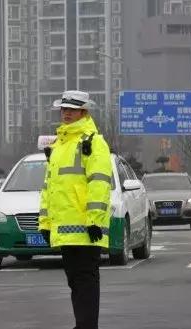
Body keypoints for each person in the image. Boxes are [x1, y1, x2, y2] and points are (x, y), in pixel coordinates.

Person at [38, 90, 112, 329]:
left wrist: (94, 220)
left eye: (72, 109)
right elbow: (49, 187)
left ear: (84, 111)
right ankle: (82, 324)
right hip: (65, 228)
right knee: (75, 282)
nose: (66, 113)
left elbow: (99, 182)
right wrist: (45, 223)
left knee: (86, 282)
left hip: (86, 228)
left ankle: (87, 326)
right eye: (64, 109)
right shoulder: (59, 144)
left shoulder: (92, 142)